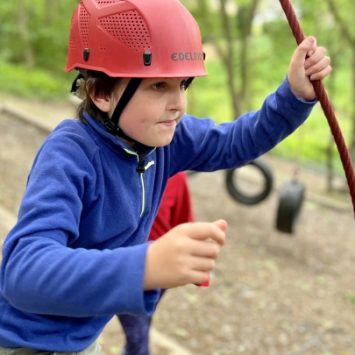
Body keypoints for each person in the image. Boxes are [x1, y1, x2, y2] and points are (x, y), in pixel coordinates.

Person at [0, 0, 331, 354]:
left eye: (183, 85)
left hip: (82, 339)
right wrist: (146, 264)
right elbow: (24, 271)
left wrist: (294, 96)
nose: (179, 104)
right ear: (100, 93)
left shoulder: (162, 141)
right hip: (24, 344)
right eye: (159, 86)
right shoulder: (70, 154)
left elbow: (235, 141)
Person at [117, 172, 194, 355]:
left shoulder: (176, 176)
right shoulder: (116, 170)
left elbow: (184, 220)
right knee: (137, 337)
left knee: (144, 322)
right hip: (128, 270)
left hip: (161, 274)